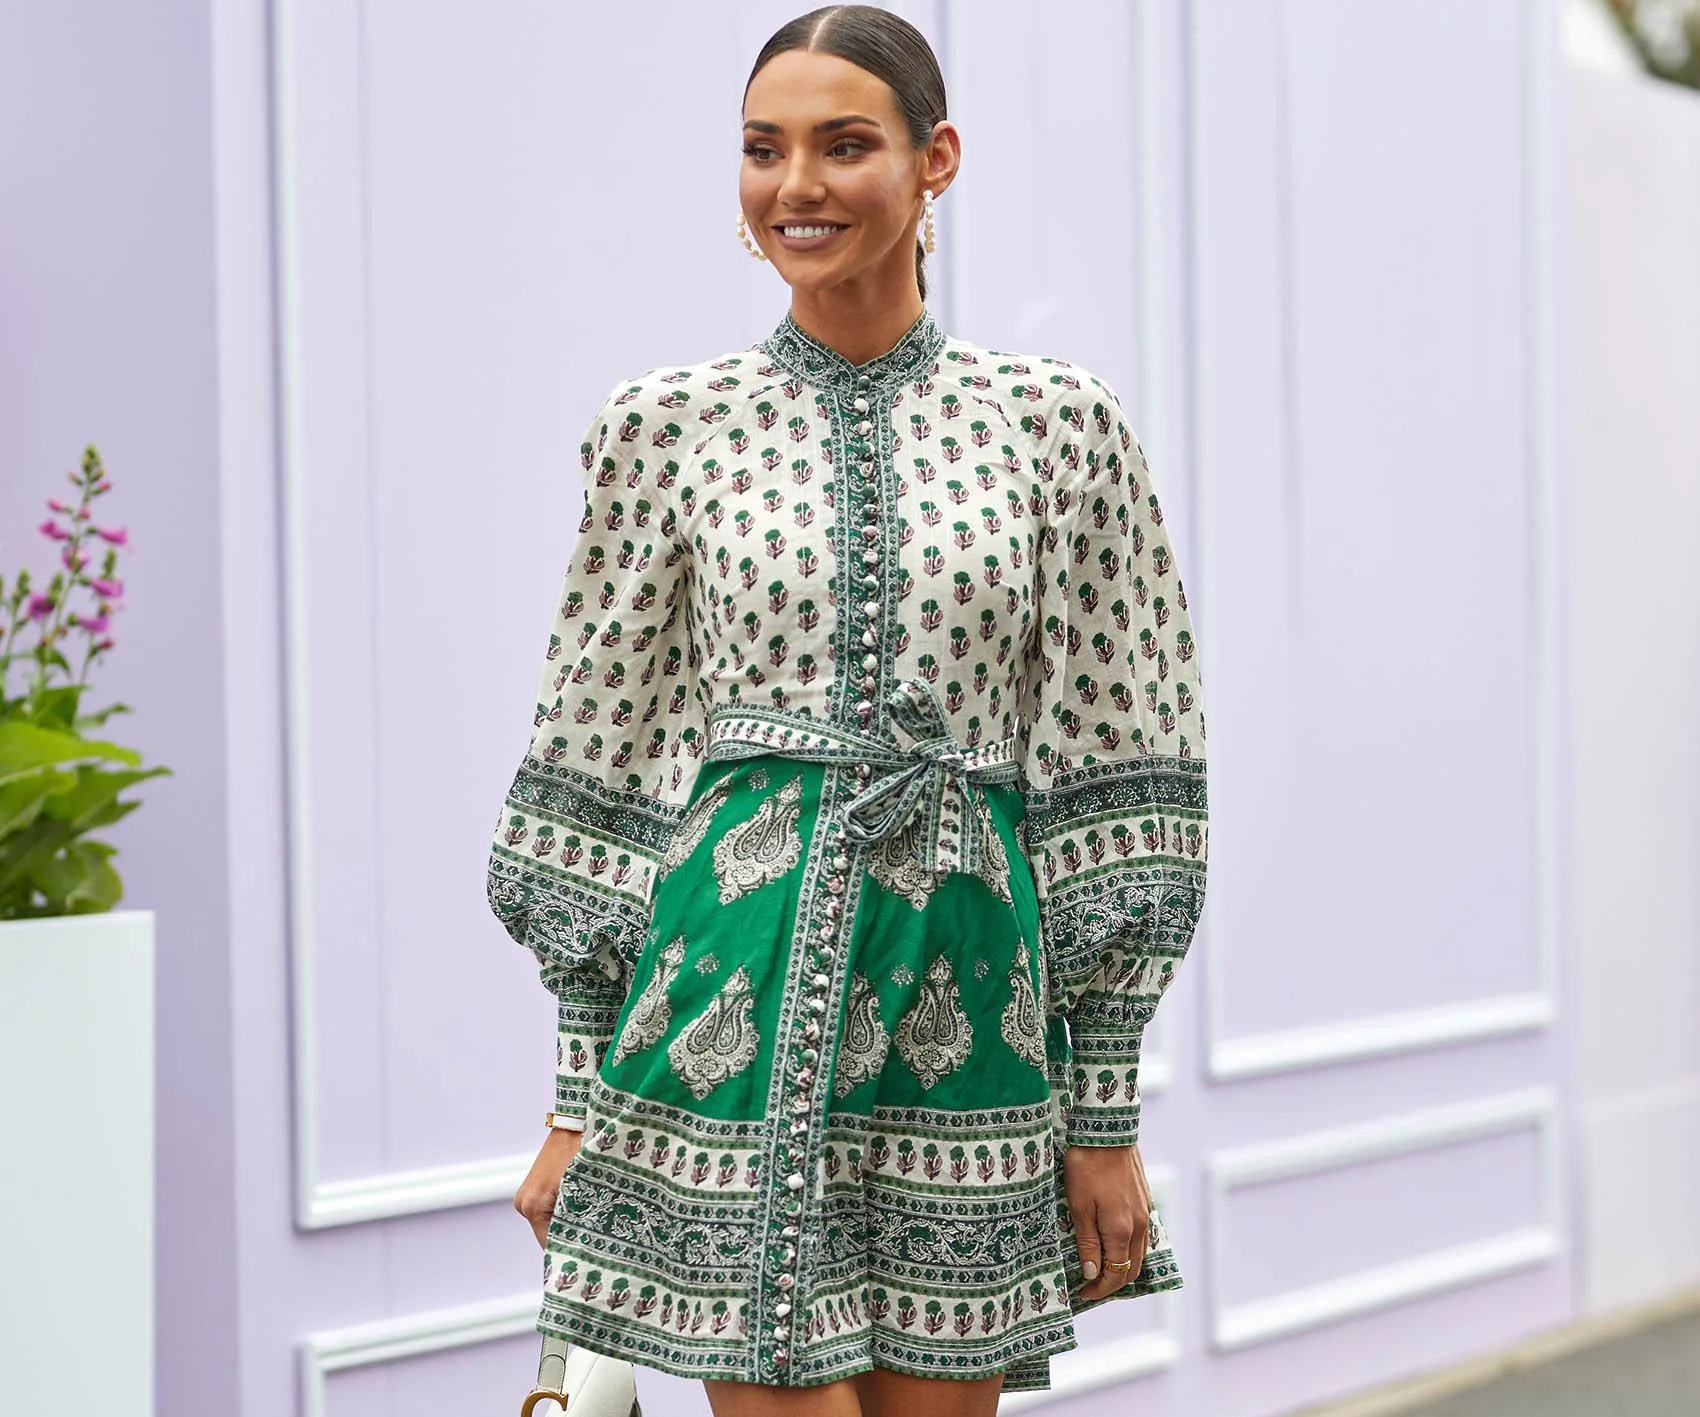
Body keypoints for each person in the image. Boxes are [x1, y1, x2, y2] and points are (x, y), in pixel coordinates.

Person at [488, 7, 1209, 1415]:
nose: (797, 185)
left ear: (937, 161)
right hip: (725, 1000)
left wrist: (1104, 1112)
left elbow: (1123, 773)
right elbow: (599, 765)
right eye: (764, 149)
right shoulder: (665, 426)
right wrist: (578, 1097)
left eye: (844, 145)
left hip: (968, 1008)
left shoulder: (1061, 426)